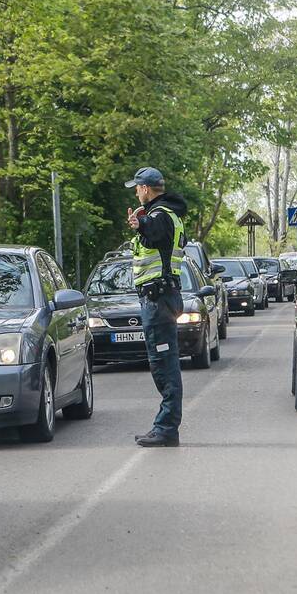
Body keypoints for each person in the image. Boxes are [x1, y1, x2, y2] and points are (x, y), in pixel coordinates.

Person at [125, 167, 188, 447]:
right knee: (162, 363)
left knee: (164, 364)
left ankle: (166, 428)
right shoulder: (165, 213)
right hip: (160, 298)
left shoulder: (159, 216)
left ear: (146, 189)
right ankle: (164, 426)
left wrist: (141, 225)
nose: (136, 193)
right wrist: (142, 224)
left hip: (159, 299)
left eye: (137, 188)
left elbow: (155, 232)